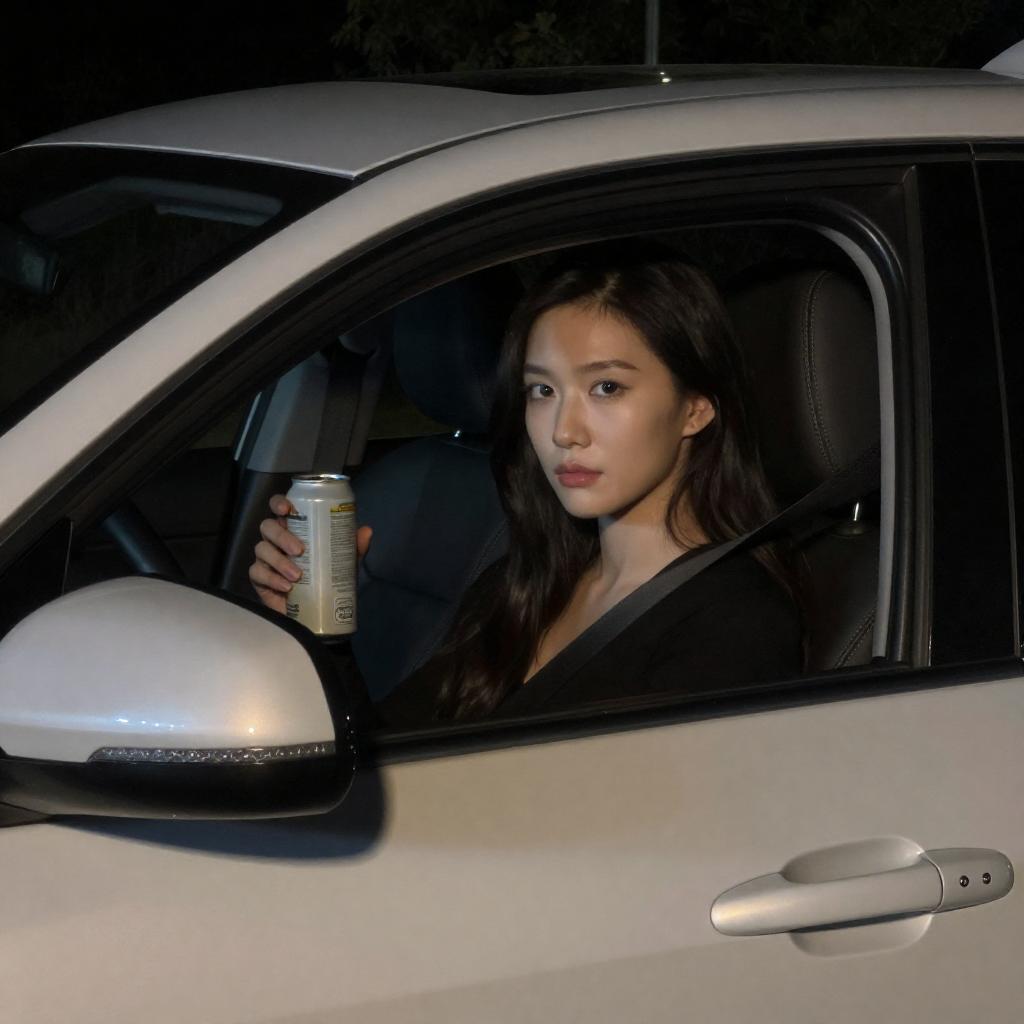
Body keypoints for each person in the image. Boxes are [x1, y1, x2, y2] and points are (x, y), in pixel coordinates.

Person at [249, 243, 802, 726]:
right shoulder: (527, 582)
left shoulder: (735, 624)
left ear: (696, 408)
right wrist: (316, 633)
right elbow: (393, 764)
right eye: (542, 391)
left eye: (607, 387)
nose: (564, 431)